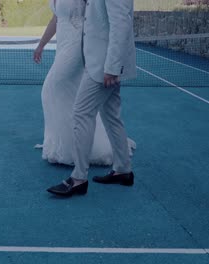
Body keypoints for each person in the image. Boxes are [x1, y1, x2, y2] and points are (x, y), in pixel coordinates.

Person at [47, 0, 137, 197]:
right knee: (111, 115)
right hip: (97, 60)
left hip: (104, 66)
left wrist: (112, 68)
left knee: (81, 113)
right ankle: (123, 170)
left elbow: (121, 23)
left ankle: (78, 178)